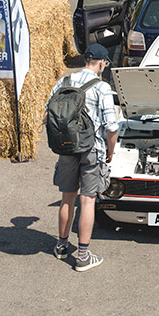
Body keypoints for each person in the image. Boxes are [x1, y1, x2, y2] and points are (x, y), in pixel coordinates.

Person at [48, 44, 118, 272]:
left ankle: (61, 246)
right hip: (91, 149)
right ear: (101, 63)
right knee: (87, 200)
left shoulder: (64, 82)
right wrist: (110, 151)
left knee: (67, 198)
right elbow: (111, 126)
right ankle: (83, 256)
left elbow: (49, 109)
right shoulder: (102, 87)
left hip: (67, 148)